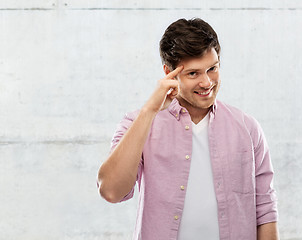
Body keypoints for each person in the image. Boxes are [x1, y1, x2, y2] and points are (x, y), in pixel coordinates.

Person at [97, 18, 279, 240]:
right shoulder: (138, 123)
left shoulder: (247, 128)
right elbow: (111, 191)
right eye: (193, 73)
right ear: (168, 72)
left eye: (212, 69)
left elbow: (265, 210)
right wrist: (149, 111)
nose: (206, 82)